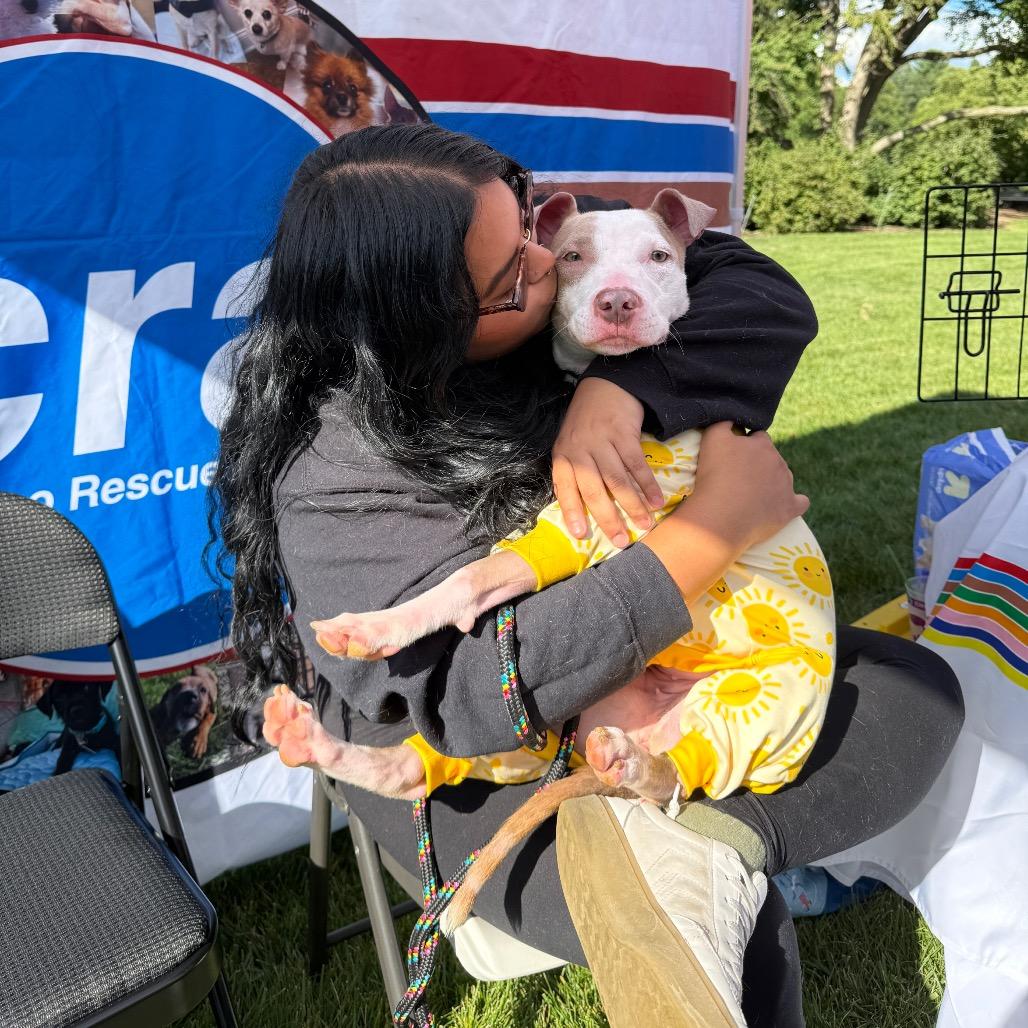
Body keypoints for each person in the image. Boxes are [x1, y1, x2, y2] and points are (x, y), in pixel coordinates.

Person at [208, 124, 963, 1027]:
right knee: (736, 936)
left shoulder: (538, 323)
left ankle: (709, 836)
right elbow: (467, 698)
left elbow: (756, 287)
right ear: (421, 324)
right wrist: (708, 533)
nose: (546, 266)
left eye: (528, 231)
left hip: (660, 672)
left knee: (913, 685)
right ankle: (700, 861)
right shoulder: (335, 469)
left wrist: (623, 387)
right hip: (475, 765)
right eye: (511, 276)